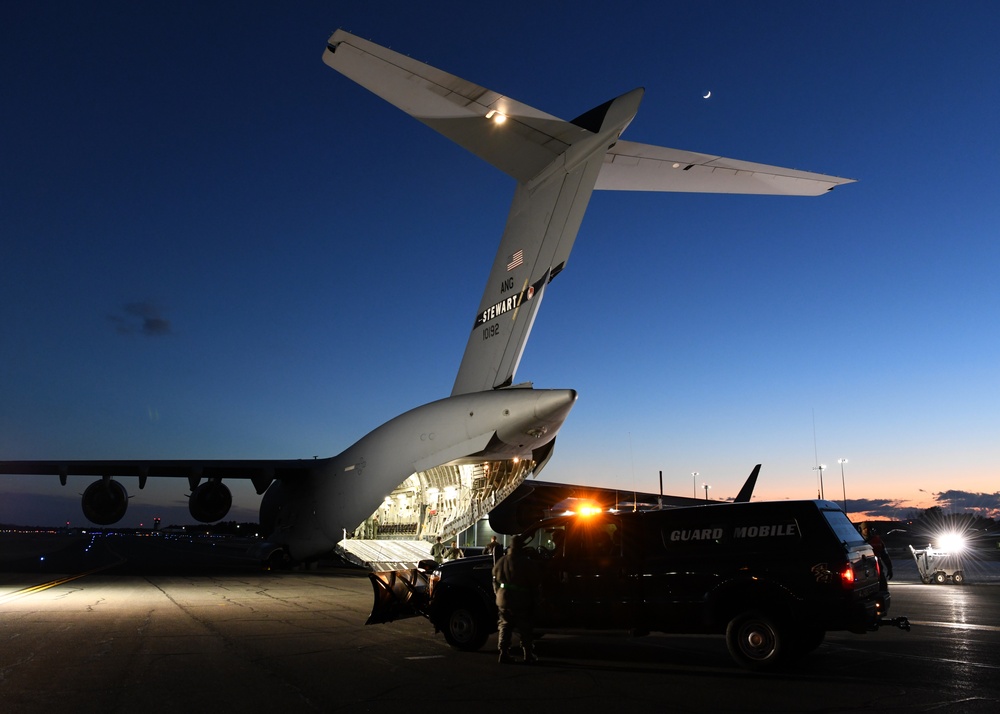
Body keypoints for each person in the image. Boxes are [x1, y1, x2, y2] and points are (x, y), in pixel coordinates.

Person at [492, 534, 541, 664]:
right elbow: (535, 582)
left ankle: (503, 653)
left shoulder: (502, 561)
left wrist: (498, 593)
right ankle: (528, 654)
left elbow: (495, 579)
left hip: (503, 599)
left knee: (505, 626)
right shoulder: (527, 562)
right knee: (525, 628)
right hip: (522, 600)